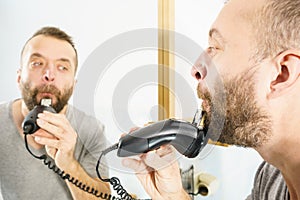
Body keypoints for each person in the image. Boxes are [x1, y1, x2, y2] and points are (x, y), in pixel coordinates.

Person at [122, 0, 300, 199]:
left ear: (281, 74)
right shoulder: (272, 177)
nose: (196, 69)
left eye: (215, 47)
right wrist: (173, 196)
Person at [0, 26, 110, 200]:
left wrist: (68, 163)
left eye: (62, 67)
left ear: (73, 85)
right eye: (37, 63)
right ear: (19, 78)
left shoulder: (92, 129)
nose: (49, 75)